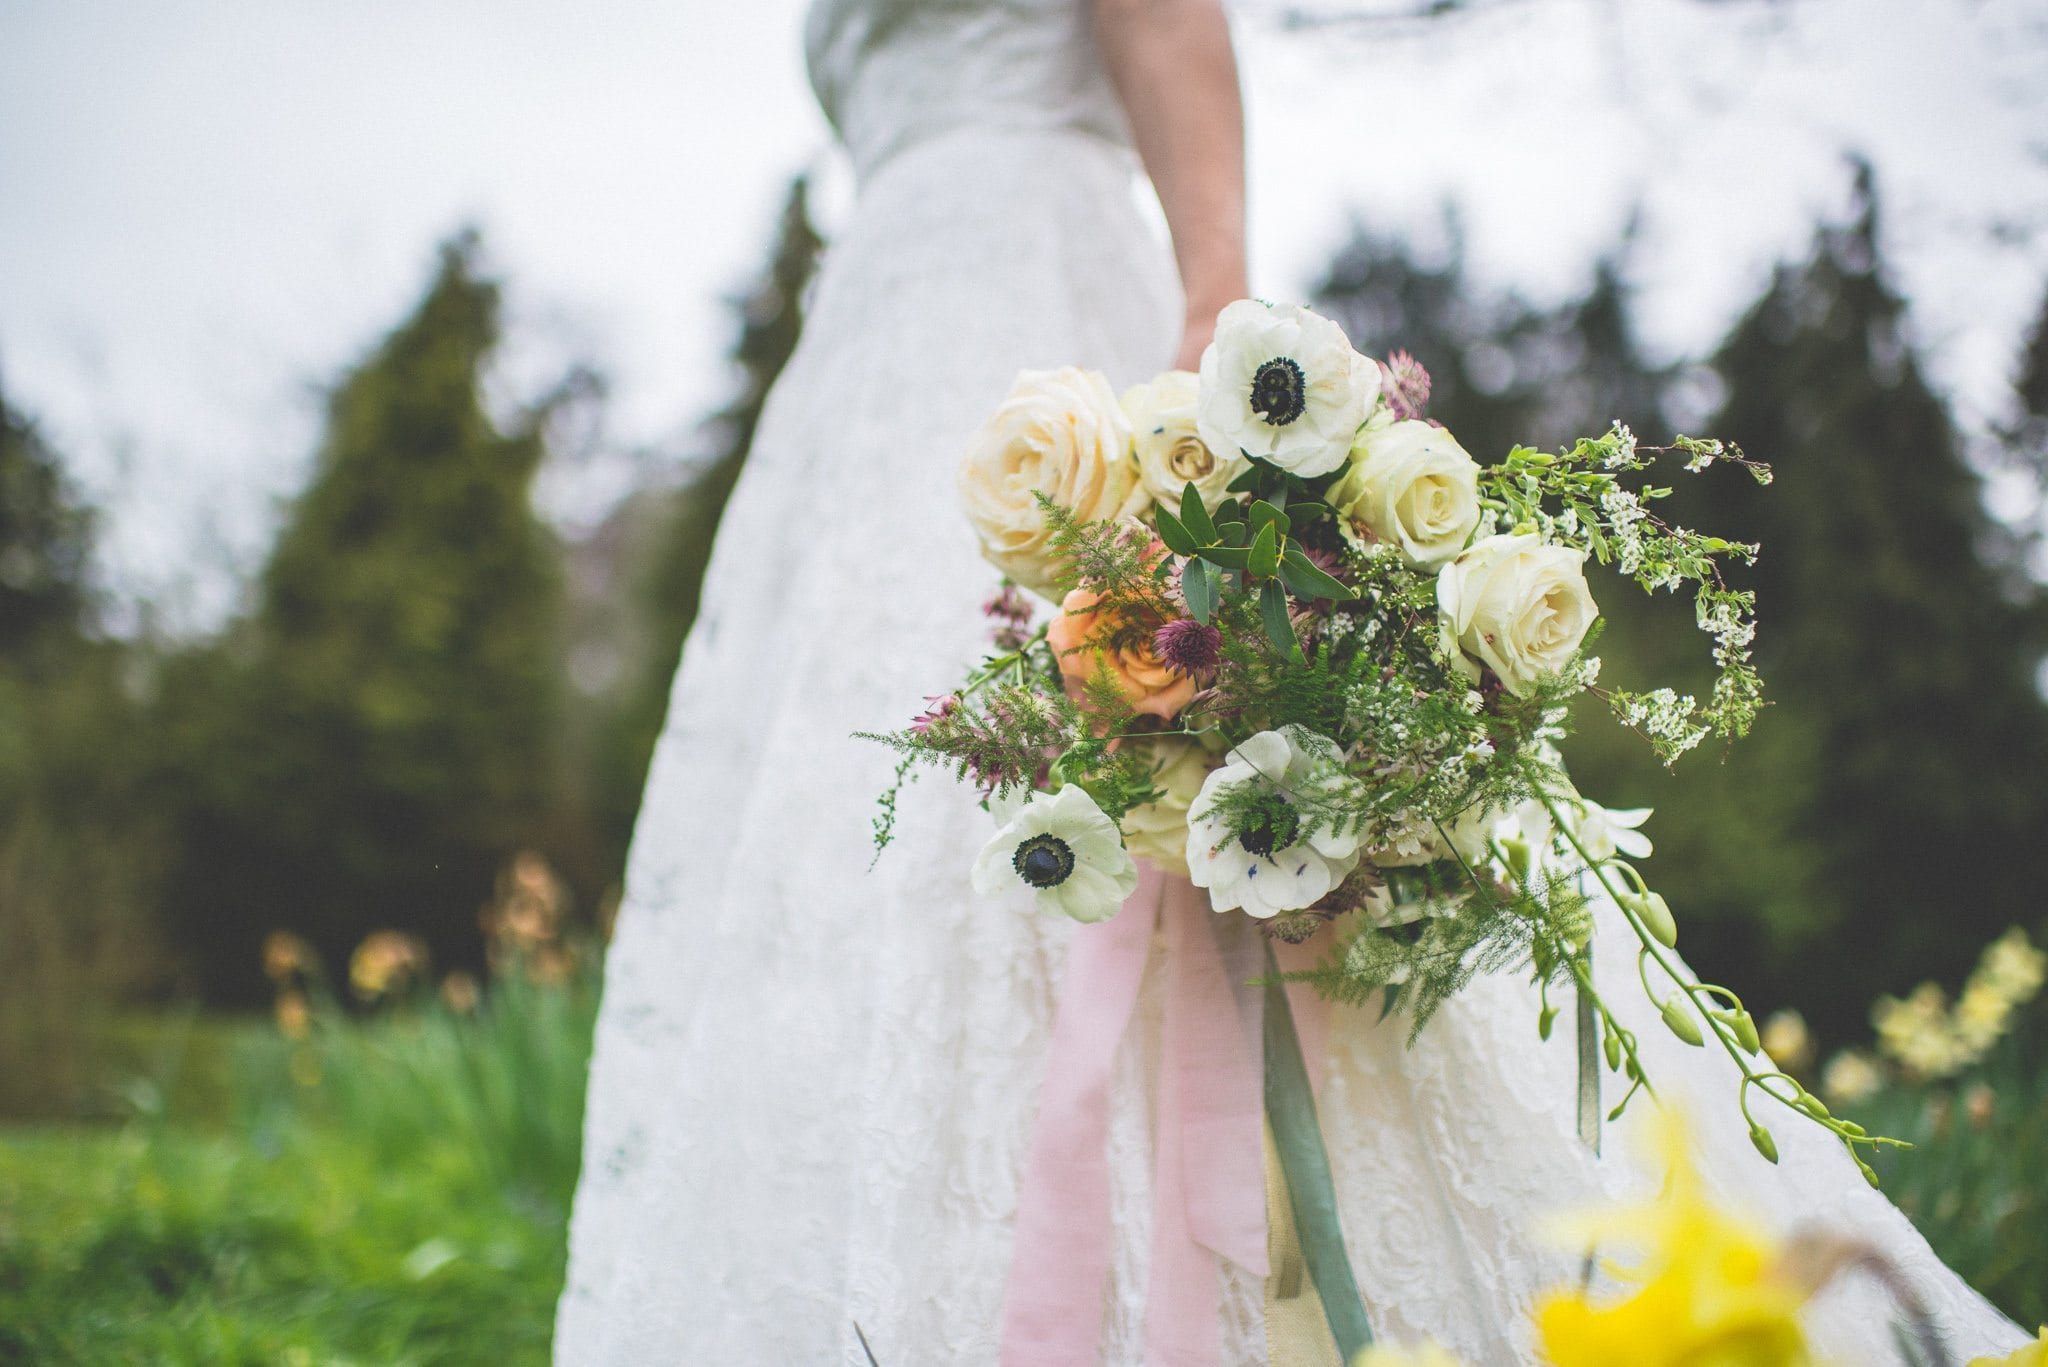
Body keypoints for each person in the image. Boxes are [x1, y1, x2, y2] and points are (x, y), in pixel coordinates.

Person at [555, 1, 2026, 1362]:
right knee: (864, 791)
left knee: (1095, 740)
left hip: (1037, 276)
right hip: (877, 341)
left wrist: (1211, 311)